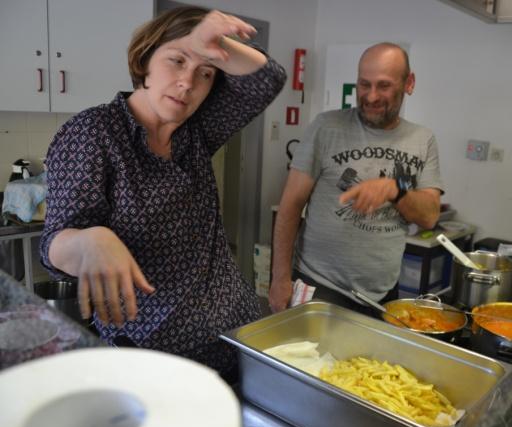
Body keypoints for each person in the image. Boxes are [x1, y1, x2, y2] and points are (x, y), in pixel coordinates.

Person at [39, 6, 286, 378]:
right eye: (175, 61)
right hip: (153, 356)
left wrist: (210, 43)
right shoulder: (94, 133)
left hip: (238, 336)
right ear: (145, 61)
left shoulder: (195, 133)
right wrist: (90, 240)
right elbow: (54, 246)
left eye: (204, 73)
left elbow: (267, 78)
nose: (187, 82)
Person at [269, 42, 442, 314]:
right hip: (321, 286)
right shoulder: (326, 127)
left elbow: (429, 216)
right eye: (364, 84)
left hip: (383, 293)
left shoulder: (423, 140)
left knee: (370, 359)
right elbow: (290, 205)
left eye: (383, 86)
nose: (371, 96)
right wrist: (279, 279)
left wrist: (394, 190)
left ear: (408, 83)